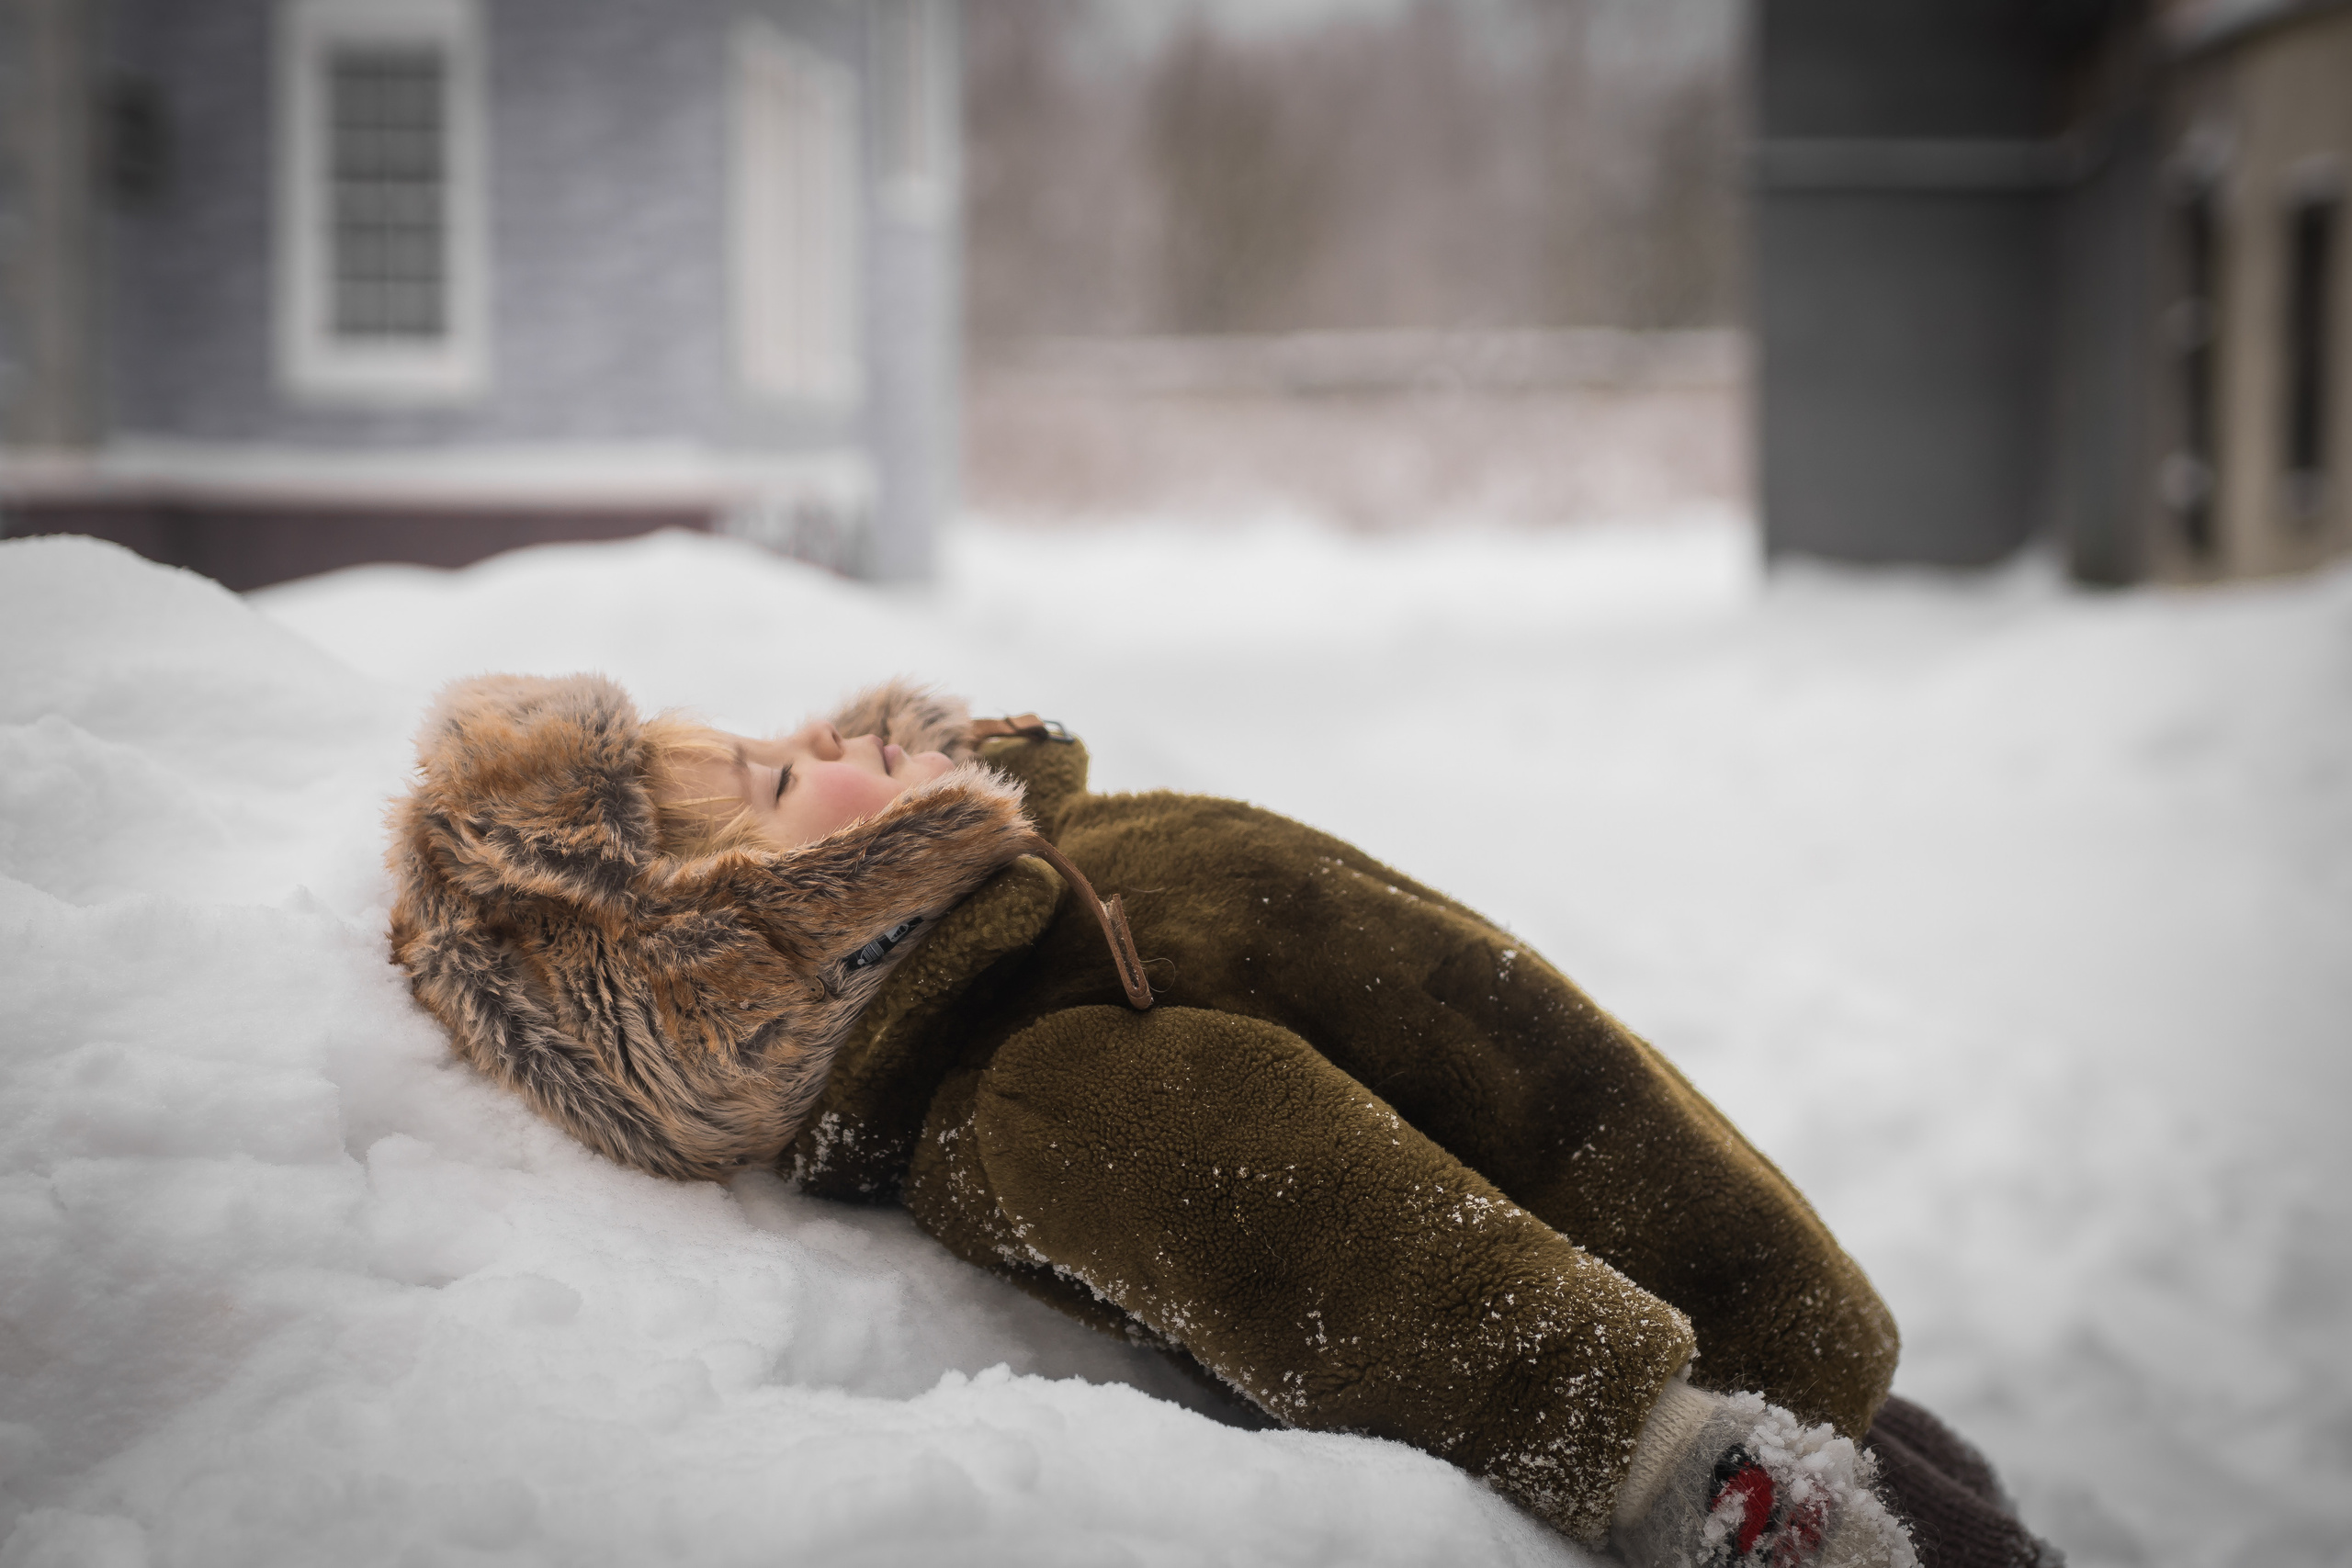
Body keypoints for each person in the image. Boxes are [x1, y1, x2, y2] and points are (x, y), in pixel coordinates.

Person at [387, 674, 2057, 1568]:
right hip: (1705, 1408)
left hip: (1711, 1271)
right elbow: (1365, 1268)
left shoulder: (1020, 917)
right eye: (769, 779)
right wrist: (1681, 1472)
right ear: (785, 940)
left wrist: (949, 766)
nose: (808, 735)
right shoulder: (1046, 1080)